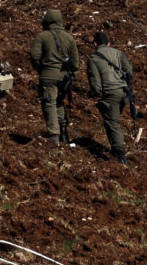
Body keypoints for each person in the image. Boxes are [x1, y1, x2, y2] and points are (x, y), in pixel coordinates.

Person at [33, 9, 79, 143]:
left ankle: (54, 135)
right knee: (59, 102)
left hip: (48, 75)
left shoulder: (42, 36)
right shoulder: (69, 37)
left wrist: (42, 69)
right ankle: (63, 133)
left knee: (49, 103)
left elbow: (35, 56)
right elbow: (75, 63)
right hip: (64, 77)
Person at [89, 29, 135, 164]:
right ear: (108, 43)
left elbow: (95, 82)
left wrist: (98, 95)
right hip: (123, 91)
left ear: (95, 43)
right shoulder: (118, 53)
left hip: (110, 93)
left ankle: (120, 155)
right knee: (111, 120)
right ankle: (115, 149)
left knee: (113, 123)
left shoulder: (94, 58)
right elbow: (129, 71)